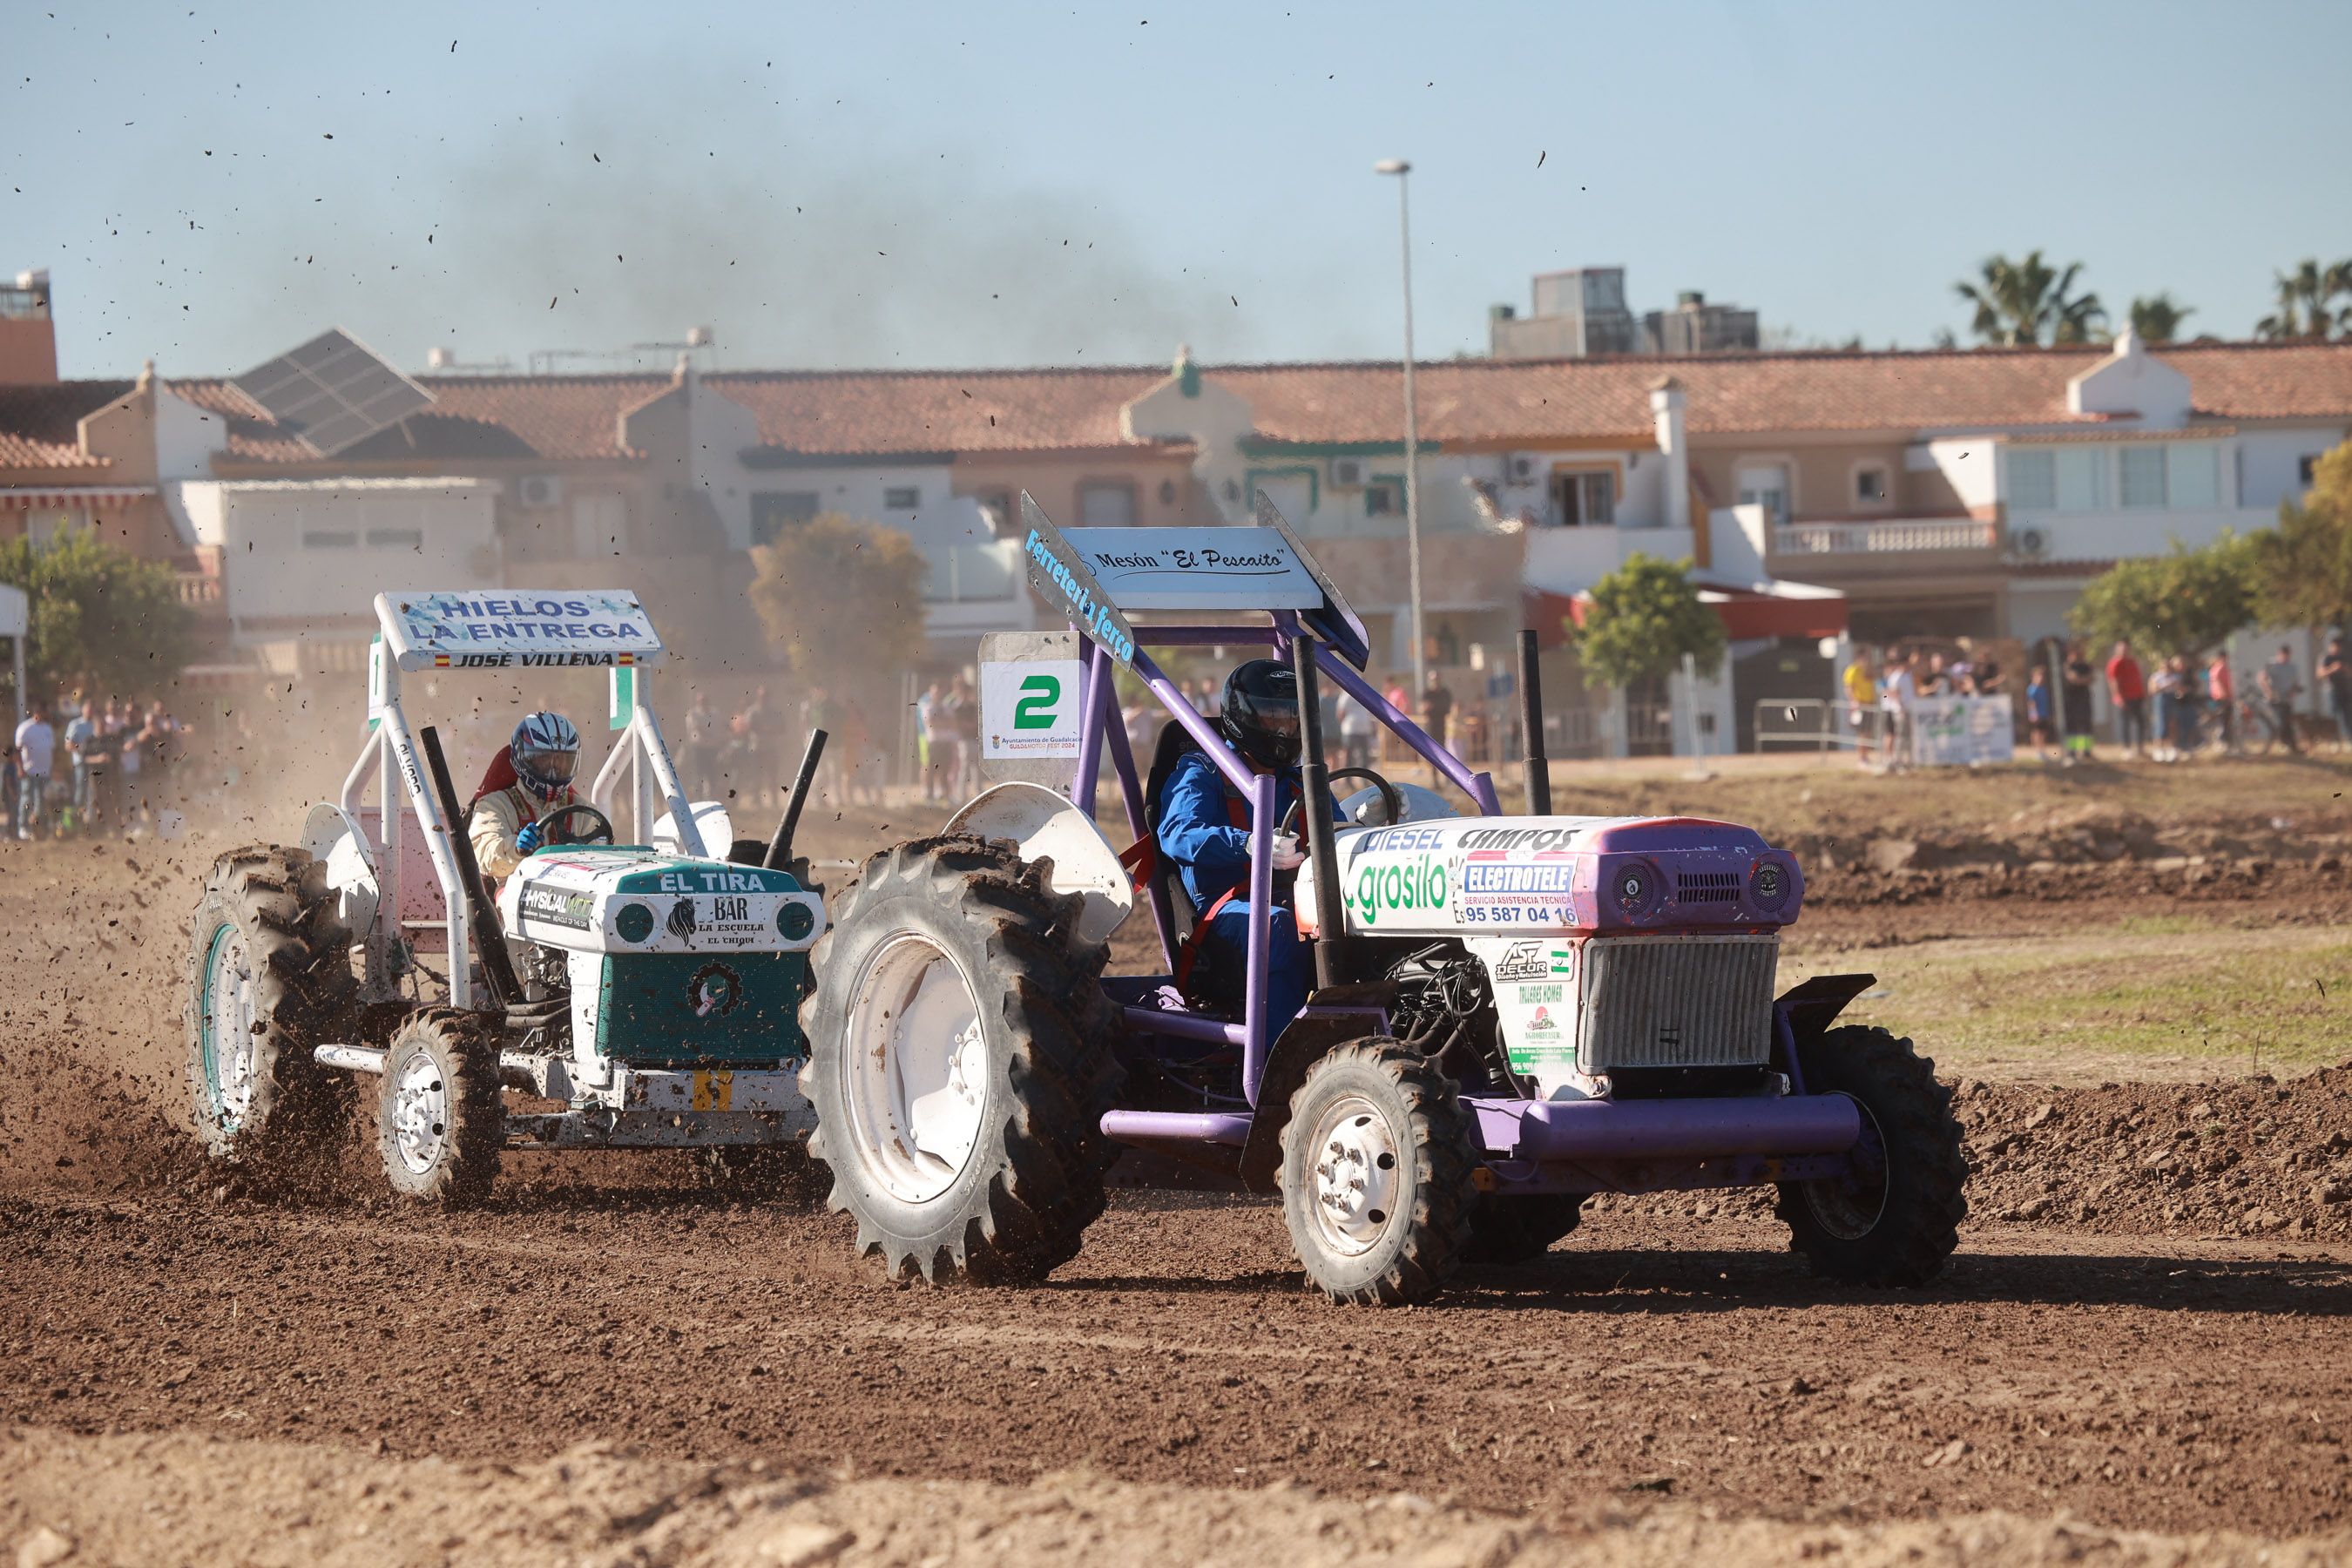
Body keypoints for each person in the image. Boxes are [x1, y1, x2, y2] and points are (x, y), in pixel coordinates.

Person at [1155, 659, 1340, 1033]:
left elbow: (1336, 829)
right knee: (1279, 927)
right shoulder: (1203, 770)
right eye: (1274, 717)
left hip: (1294, 895)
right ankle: (1280, 1061)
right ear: (1245, 716)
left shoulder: (1300, 780)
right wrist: (1249, 845)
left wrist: (1366, 821)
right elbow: (1177, 832)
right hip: (1222, 908)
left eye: (1293, 717)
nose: (1286, 728)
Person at [467, 711, 582, 882]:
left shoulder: (583, 810)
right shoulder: (492, 805)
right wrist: (516, 850)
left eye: (562, 761)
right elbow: (486, 858)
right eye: (545, 760)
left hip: (577, 896)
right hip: (514, 896)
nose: (555, 769)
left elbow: (606, 856)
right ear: (524, 759)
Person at [13, 700, 54, 841]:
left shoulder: (48, 729)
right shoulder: (25, 728)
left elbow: (51, 750)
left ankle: (37, 829)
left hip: (45, 772)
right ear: (38, 712)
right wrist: (20, 768)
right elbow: (17, 751)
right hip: (29, 771)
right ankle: (23, 827)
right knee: (27, 799)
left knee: (41, 801)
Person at [2105, 641, 2147, 759]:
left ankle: (2140, 748)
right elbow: (2113, 681)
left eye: (2126, 649)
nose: (2125, 652)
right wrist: (2118, 697)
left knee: (2140, 722)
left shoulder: (2132, 662)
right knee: (2125, 723)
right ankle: (2126, 748)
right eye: (2122, 650)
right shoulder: (2115, 663)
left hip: (2137, 696)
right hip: (2125, 698)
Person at [2261, 645, 2303, 754]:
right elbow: (2262, 678)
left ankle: (2292, 746)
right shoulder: (2272, 664)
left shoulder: (2292, 667)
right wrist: (2269, 691)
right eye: (2283, 655)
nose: (2285, 657)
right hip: (2274, 700)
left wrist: (2293, 692)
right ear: (2279, 654)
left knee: (2288, 723)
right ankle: (2286, 743)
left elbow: (2296, 684)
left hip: (2287, 700)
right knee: (2282, 721)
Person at [1879, 650, 1916, 771]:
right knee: (1893, 735)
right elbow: (1887, 695)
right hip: (1892, 710)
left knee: (1904, 736)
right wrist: (1889, 697)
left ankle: (1906, 760)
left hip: (1899, 709)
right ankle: (1893, 759)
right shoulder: (1888, 680)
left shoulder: (1907, 676)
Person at [2061, 643, 2097, 764]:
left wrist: (2080, 680)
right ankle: (2072, 752)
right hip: (2071, 702)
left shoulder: (2085, 666)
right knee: (2072, 727)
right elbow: (2073, 678)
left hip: (2084, 700)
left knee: (2086, 726)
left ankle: (2086, 752)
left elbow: (2092, 678)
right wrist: (2083, 680)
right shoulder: (2067, 666)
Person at [1842, 652, 1878, 763]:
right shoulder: (1853, 670)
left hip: (1870, 705)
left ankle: (1865, 756)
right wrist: (1854, 701)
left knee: (1867, 732)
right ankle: (1861, 758)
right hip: (1860, 706)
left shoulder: (1868, 671)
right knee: (1861, 733)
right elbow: (1848, 687)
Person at [2319, 635, 2352, 752]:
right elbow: (2320, 674)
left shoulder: (2345, 657)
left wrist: (2345, 669)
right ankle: (2334, 741)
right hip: (2331, 691)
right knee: (2332, 717)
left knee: (2348, 716)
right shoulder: (2326, 658)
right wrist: (2333, 669)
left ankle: (2349, 740)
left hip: (2345, 690)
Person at [1335, 686, 1375, 772]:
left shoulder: (1365, 695)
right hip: (1350, 730)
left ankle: (1365, 777)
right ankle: (1347, 777)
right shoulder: (1346, 695)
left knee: (1364, 756)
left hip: (1364, 730)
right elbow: (1340, 713)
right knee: (1349, 755)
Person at [2207, 649, 2236, 754]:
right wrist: (2227, 696)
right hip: (2222, 699)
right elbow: (2220, 684)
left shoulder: (2216, 669)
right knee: (2224, 721)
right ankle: (2222, 742)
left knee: (2225, 721)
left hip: (2221, 698)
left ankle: (2226, 743)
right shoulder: (2220, 669)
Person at [2025, 666, 2055, 760]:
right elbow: (2031, 703)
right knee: (2037, 732)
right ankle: (2037, 751)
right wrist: (2033, 714)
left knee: (2043, 732)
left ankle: (2042, 750)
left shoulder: (2043, 689)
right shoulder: (2032, 689)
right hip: (2037, 715)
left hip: (2044, 714)